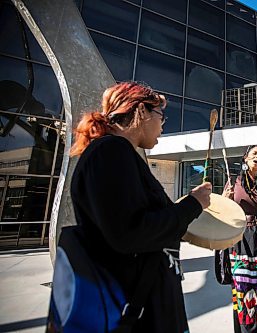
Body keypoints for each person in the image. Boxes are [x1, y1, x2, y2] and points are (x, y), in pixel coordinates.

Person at [69, 81, 211, 332]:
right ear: (142, 111)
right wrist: (193, 204)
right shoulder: (111, 151)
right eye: (161, 115)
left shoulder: (114, 151)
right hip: (138, 311)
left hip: (140, 302)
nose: (163, 125)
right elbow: (131, 233)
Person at [223, 145, 257, 333]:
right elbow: (224, 209)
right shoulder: (235, 182)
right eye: (254, 153)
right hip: (241, 236)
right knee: (242, 284)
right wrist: (225, 198)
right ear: (245, 158)